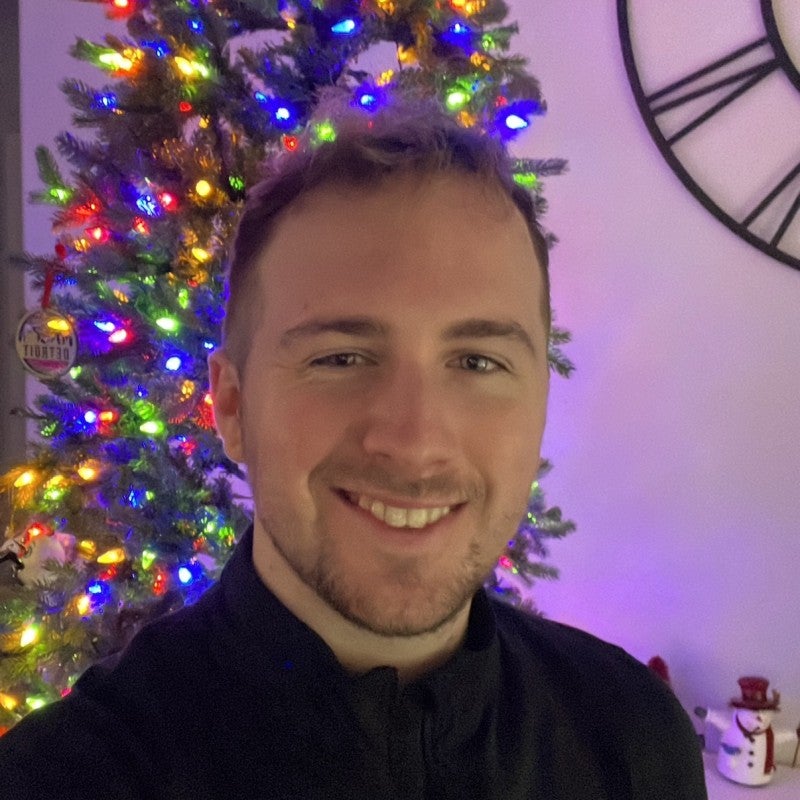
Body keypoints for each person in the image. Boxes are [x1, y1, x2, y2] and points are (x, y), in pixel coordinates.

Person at [0, 95, 707, 799]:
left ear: (541, 400)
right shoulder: (65, 776)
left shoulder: (634, 737)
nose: (415, 441)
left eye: (478, 362)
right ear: (233, 406)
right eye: (340, 358)